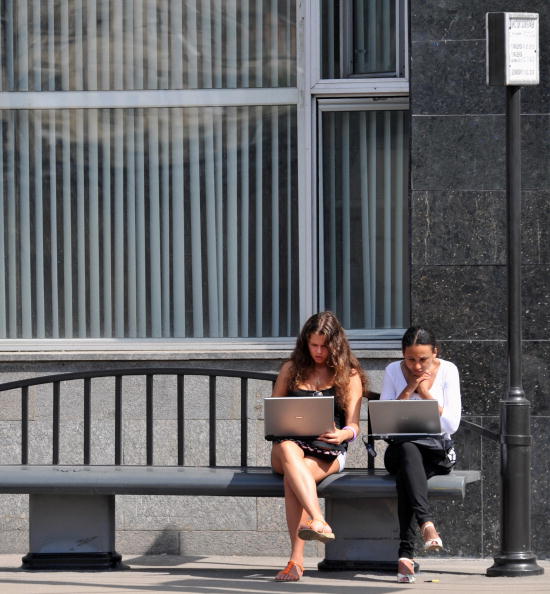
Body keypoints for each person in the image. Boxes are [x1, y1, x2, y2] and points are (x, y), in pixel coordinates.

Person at [270, 311, 367, 582]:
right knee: (289, 450)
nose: (319, 351)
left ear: (336, 344)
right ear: (305, 343)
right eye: (313, 345)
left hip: (327, 449)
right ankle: (318, 519)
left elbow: (354, 425)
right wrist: (284, 427)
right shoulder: (291, 369)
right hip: (288, 445)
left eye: (325, 346)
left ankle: (295, 562)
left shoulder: (348, 374)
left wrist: (343, 435)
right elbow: (274, 413)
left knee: (294, 477)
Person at [380, 326, 461, 583]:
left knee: (408, 470)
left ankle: (405, 554)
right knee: (407, 449)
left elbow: (450, 425)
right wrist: (408, 389)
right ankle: (427, 523)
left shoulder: (448, 370)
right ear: (403, 355)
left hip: (437, 452)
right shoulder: (393, 371)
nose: (416, 365)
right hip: (400, 449)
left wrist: (424, 393)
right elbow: (384, 423)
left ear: (435, 352)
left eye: (423, 359)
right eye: (410, 359)